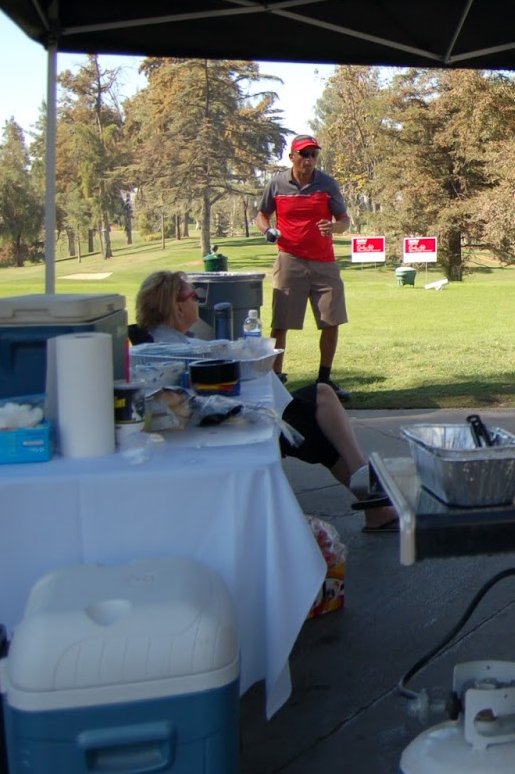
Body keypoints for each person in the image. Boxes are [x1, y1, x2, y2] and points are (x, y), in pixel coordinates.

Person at [132, 271, 397, 532]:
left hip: (238, 413)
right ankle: (372, 499)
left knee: (321, 395)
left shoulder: (175, 341)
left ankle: (366, 483)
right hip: (229, 425)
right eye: (193, 296)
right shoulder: (167, 349)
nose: (198, 301)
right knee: (313, 425)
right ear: (177, 306)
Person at [257, 134, 353, 403]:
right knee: (281, 323)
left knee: (332, 320)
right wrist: (268, 231)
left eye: (313, 154)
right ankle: (276, 378)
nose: (309, 159)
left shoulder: (327, 184)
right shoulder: (277, 184)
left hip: (324, 263)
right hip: (289, 260)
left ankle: (324, 380)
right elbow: (262, 214)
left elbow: (344, 220)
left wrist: (334, 227)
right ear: (292, 157)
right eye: (304, 154)